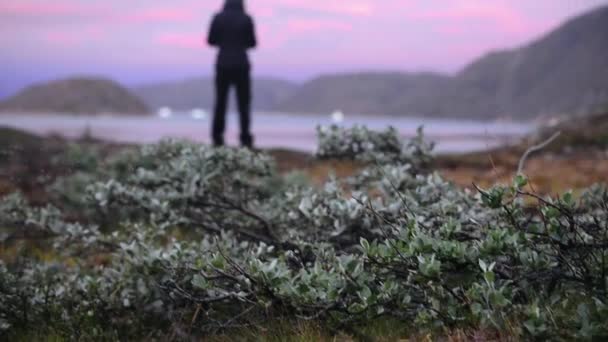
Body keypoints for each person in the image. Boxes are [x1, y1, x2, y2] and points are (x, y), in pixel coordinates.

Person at [207, 0, 257, 148]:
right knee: (244, 104)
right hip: (241, 64)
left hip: (222, 64)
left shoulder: (218, 17)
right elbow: (252, 43)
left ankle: (217, 138)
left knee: (220, 102)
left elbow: (211, 40)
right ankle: (245, 139)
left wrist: (225, 42)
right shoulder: (246, 18)